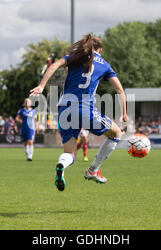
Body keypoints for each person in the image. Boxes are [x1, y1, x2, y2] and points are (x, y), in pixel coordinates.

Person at [30, 34, 127, 191]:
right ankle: (93, 170)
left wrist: (41, 86)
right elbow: (119, 90)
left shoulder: (74, 57)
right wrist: (123, 112)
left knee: (70, 153)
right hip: (84, 109)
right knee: (116, 133)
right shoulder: (105, 65)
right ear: (100, 49)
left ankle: (61, 164)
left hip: (63, 110)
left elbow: (53, 65)